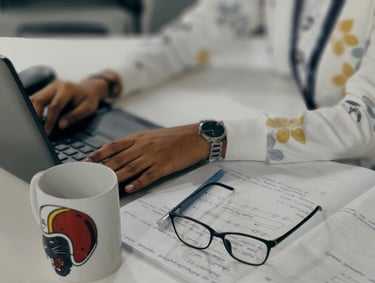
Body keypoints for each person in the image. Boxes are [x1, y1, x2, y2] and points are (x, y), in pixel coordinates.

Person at [30, 0, 375, 194]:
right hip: (314, 157)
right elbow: (193, 35)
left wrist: (209, 137)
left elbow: (364, 123)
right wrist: (106, 82)